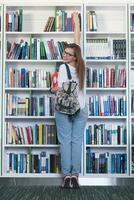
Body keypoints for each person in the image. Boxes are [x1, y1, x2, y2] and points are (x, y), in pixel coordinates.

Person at [51, 12, 88, 188]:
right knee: (77, 141)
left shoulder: (63, 67)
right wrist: (76, 23)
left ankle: (66, 176)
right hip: (81, 108)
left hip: (64, 109)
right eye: (64, 52)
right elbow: (77, 41)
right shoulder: (82, 65)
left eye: (67, 53)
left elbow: (60, 88)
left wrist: (53, 89)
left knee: (65, 141)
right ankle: (75, 175)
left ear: (73, 57)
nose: (64, 55)